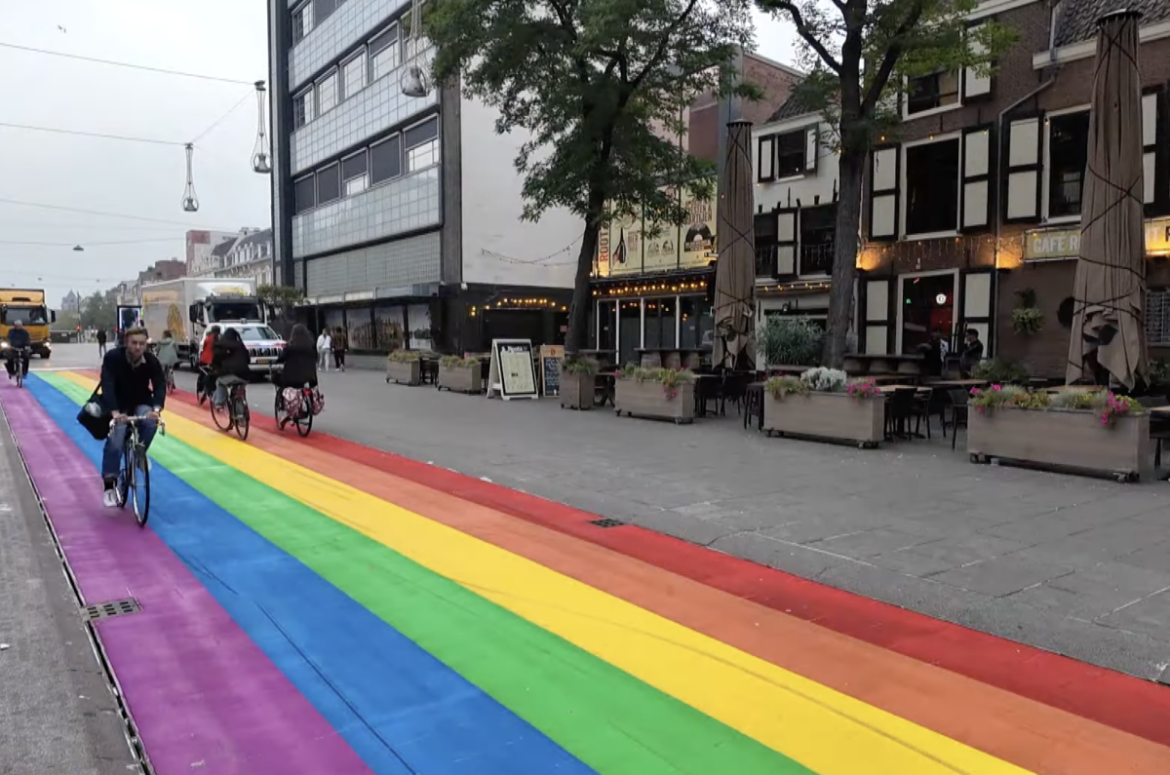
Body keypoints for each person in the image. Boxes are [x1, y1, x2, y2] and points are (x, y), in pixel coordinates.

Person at [99, 327, 165, 508]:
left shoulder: (151, 361)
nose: (138, 347)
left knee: (151, 422)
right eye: (134, 343)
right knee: (116, 438)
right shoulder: (113, 358)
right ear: (127, 342)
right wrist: (114, 412)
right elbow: (108, 384)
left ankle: (139, 454)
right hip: (118, 405)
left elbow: (159, 385)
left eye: (142, 344)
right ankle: (110, 485)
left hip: (141, 402)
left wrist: (157, 409)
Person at [274, 324, 319, 428]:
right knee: (304, 388)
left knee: (282, 387)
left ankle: (284, 408)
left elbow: (282, 357)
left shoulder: (290, 346)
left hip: (292, 377)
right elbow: (315, 358)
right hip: (309, 376)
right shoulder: (311, 345)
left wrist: (276, 361)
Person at [210, 327, 251, 409]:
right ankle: (242, 411)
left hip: (231, 373)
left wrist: (215, 369)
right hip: (245, 375)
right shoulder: (240, 344)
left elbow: (216, 360)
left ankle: (220, 402)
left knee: (220, 382)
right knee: (240, 389)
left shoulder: (221, 345)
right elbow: (248, 359)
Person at [197, 325, 220, 398]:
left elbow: (204, 348)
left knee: (203, 373)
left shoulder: (208, 338)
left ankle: (201, 387)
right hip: (216, 360)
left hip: (206, 359)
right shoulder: (220, 338)